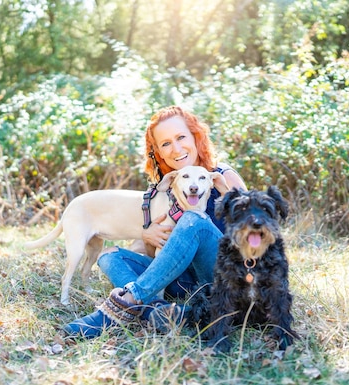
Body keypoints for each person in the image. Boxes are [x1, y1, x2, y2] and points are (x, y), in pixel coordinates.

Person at [63, 105, 247, 338]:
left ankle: (124, 305)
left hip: (219, 274)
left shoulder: (223, 176)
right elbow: (155, 254)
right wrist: (147, 236)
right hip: (180, 282)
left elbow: (254, 234)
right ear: (158, 152)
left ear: (196, 137)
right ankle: (165, 313)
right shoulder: (167, 188)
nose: (176, 148)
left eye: (181, 137)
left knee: (194, 220)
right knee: (110, 256)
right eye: (166, 143)